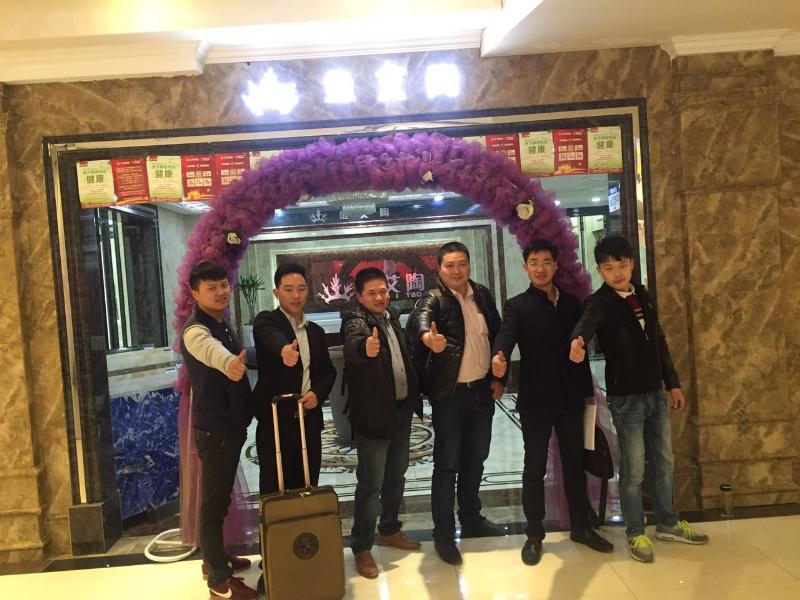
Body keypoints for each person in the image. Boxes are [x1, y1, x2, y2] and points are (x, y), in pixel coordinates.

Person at [569, 235, 709, 563]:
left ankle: (668, 523)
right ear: (599, 271)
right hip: (626, 398)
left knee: (665, 462)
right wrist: (578, 341)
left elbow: (658, 342)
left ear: (632, 263)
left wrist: (673, 384)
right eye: (609, 268)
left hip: (654, 393)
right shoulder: (599, 302)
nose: (617, 273)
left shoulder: (642, 295)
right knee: (633, 469)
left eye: (621, 265)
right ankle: (635, 532)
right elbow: (586, 325)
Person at [491, 239, 613, 566]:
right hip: (536, 401)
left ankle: (580, 527)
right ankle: (534, 533)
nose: (540, 268)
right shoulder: (517, 306)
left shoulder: (572, 303)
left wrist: (585, 388)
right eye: (534, 262)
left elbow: (583, 340)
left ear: (556, 266)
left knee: (574, 463)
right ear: (525, 267)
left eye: (546, 261)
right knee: (534, 467)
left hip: (571, 398)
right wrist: (499, 357)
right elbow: (506, 336)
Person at [407, 241, 507, 566]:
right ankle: (444, 535)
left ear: (469, 265)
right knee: (447, 465)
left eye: (461, 263)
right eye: (449, 265)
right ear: (439, 268)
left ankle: (472, 518)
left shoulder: (482, 295)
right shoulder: (434, 298)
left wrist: (500, 378)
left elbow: (499, 336)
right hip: (450, 396)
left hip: (482, 391)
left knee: (476, 459)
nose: (456, 270)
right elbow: (420, 321)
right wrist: (428, 338)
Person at [180, 260, 257, 600]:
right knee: (212, 507)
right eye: (211, 288)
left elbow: (231, 351)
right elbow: (212, 352)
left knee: (220, 499)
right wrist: (229, 364)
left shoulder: (220, 322)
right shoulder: (196, 329)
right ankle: (219, 584)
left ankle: (215, 561)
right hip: (216, 430)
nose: (220, 292)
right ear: (195, 293)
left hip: (228, 425)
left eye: (223, 285)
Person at [341, 267, 423, 579]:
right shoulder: (356, 320)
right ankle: (362, 547)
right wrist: (364, 348)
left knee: (396, 476)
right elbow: (353, 344)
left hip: (400, 411)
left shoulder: (391, 317)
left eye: (383, 291)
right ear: (359, 296)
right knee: (370, 485)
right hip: (374, 415)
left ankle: (389, 530)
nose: (379, 297)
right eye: (372, 293)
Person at [251, 263, 337, 495]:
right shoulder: (266, 320)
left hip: (308, 422)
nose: (296, 295)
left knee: (308, 486)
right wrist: (284, 350)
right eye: (288, 289)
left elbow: (329, 372)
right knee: (274, 488)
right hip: (275, 423)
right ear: (276, 292)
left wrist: (317, 394)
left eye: (301, 289)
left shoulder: (315, 332)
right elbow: (270, 336)